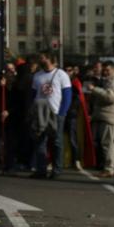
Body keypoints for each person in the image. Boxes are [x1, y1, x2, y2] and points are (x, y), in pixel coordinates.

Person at [29, 51, 72, 179]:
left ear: (49, 59)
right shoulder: (37, 75)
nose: (40, 60)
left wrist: (62, 113)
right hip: (40, 114)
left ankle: (56, 170)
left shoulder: (61, 75)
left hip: (55, 113)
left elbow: (67, 95)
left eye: (42, 57)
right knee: (40, 141)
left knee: (57, 142)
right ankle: (41, 170)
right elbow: (33, 94)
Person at [85, 62, 114, 178]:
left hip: (109, 115)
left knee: (107, 143)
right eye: (104, 70)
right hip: (106, 114)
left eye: (108, 70)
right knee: (109, 142)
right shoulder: (109, 80)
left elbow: (111, 97)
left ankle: (109, 168)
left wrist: (95, 89)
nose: (105, 72)